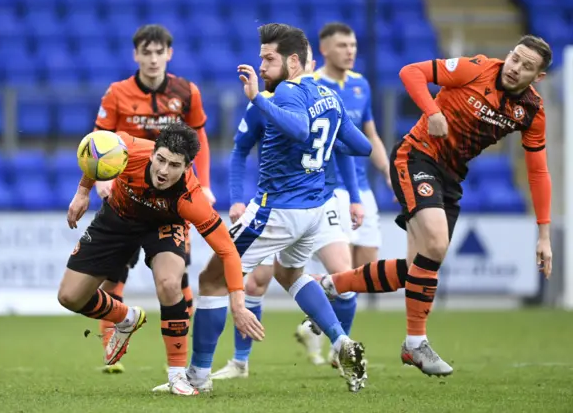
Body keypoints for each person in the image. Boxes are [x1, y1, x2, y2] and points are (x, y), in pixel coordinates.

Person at [319, 34, 554, 377]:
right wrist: (432, 111)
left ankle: (329, 285)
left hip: (451, 177)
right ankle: (415, 344)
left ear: (539, 77)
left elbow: (538, 171)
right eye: (515, 58)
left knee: (418, 267)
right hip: (416, 156)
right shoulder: (477, 68)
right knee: (436, 244)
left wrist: (544, 235)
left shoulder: (531, 111)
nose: (516, 68)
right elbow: (410, 72)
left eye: (527, 67)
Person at [183, 23, 373, 394]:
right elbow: (362, 146)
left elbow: (301, 131)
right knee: (290, 275)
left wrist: (258, 98)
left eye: (269, 59)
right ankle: (340, 342)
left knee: (211, 280)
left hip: (277, 209)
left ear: (293, 62)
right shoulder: (328, 95)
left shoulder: (284, 92)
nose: (262, 66)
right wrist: (325, 139)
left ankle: (197, 377)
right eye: (261, 58)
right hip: (314, 209)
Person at [59, 123, 264, 395]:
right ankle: (126, 317)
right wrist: (83, 191)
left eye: (175, 165)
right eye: (161, 160)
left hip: (165, 227)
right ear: (153, 152)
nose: (164, 171)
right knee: (70, 297)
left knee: (169, 284)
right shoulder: (127, 148)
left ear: (188, 167)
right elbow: (96, 151)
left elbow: (228, 250)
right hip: (117, 218)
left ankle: (178, 375)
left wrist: (238, 305)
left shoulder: (190, 198)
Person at [91, 24, 214, 372]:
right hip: (126, 192)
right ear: (136, 55)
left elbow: (199, 140)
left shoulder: (187, 92)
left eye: (159, 52)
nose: (153, 58)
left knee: (176, 276)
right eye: (146, 52)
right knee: (112, 271)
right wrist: (101, 180)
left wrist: (203, 184)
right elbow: (101, 141)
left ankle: (181, 357)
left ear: (169, 54)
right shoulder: (117, 93)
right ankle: (111, 349)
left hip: (171, 196)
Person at [296, 22, 393, 370]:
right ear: (324, 49)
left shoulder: (360, 84)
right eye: (342, 45)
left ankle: (314, 326)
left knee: (363, 270)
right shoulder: (312, 85)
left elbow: (371, 135)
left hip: (361, 189)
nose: (350, 50)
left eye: (353, 44)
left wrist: (387, 172)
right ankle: (340, 343)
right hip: (329, 188)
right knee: (345, 273)